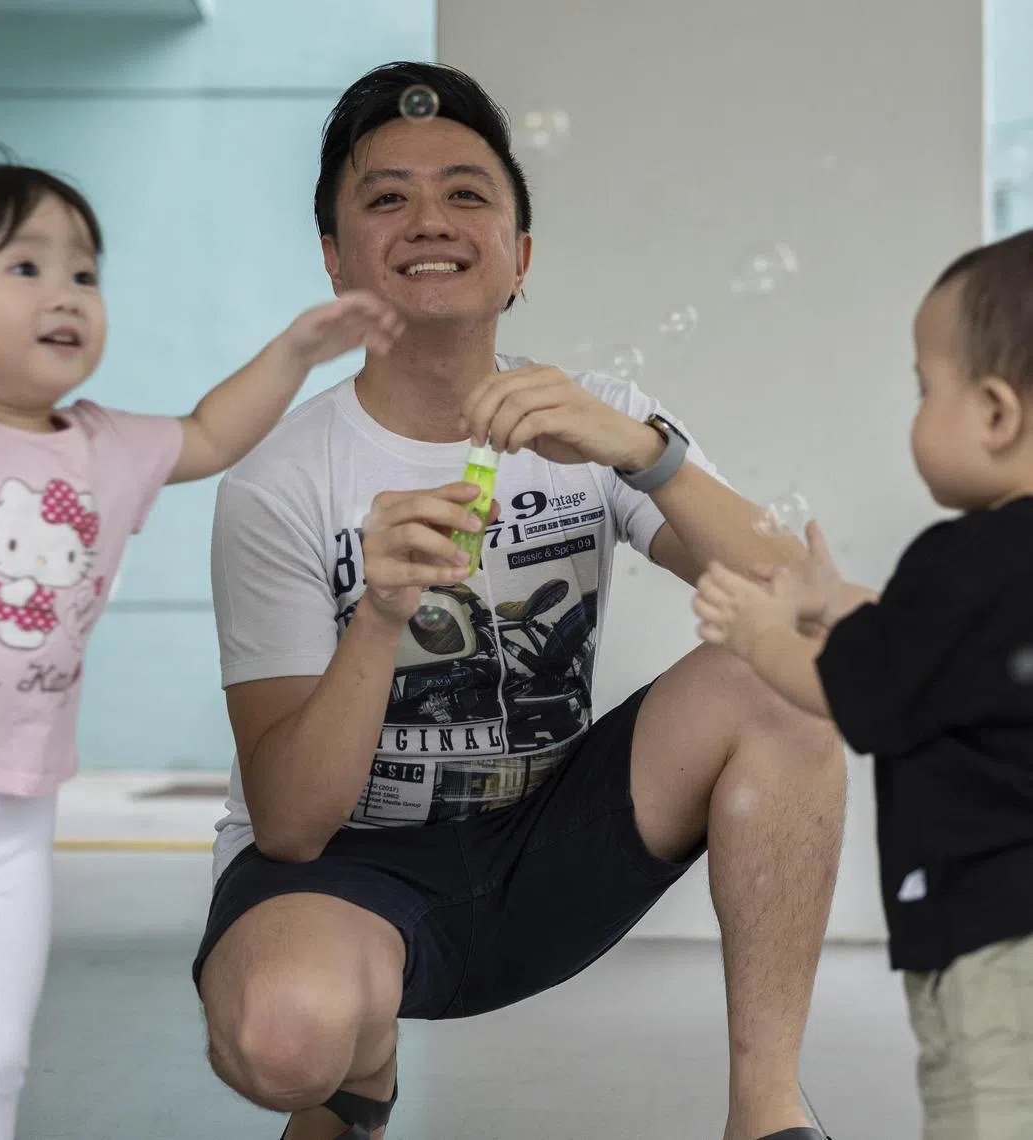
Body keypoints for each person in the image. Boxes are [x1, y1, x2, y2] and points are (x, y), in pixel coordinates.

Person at [195, 62, 844, 1140]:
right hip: (346, 875)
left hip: (548, 847)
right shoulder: (278, 484)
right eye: (385, 197)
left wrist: (644, 453)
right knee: (283, 1038)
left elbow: (810, 617)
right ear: (334, 260)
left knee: (778, 680)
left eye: (466, 192)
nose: (429, 221)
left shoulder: (598, 422)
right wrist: (382, 616)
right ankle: (353, 1067)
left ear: (520, 256)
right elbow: (295, 826)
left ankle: (767, 1117)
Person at [0, 133, 403, 1140]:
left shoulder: (103, 446)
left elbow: (211, 434)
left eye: (84, 270)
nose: (68, 292)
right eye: (26, 265)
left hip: (9, 830)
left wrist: (298, 351)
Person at [693, 231, 1033, 1140]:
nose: (917, 411)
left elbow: (861, 695)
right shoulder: (988, 584)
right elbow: (933, 648)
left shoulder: (957, 562)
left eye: (927, 389)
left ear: (997, 413)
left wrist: (763, 635)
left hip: (998, 939)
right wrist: (829, 598)